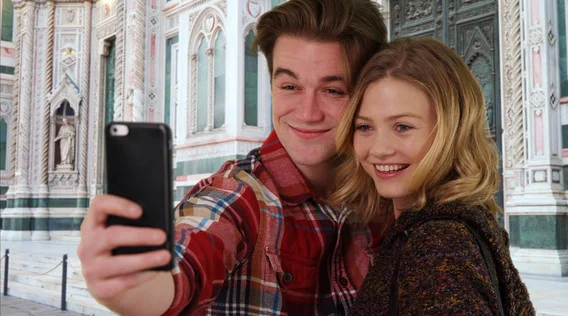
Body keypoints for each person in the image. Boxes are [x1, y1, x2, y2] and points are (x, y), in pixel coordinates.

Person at [77, 1, 388, 315]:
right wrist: (136, 286)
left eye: (333, 90)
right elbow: (192, 255)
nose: (308, 113)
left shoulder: (389, 194)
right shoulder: (238, 196)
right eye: (290, 86)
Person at [330, 38, 535, 315]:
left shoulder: (438, 244)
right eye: (365, 127)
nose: (378, 149)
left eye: (402, 126)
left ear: (452, 130)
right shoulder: (447, 226)